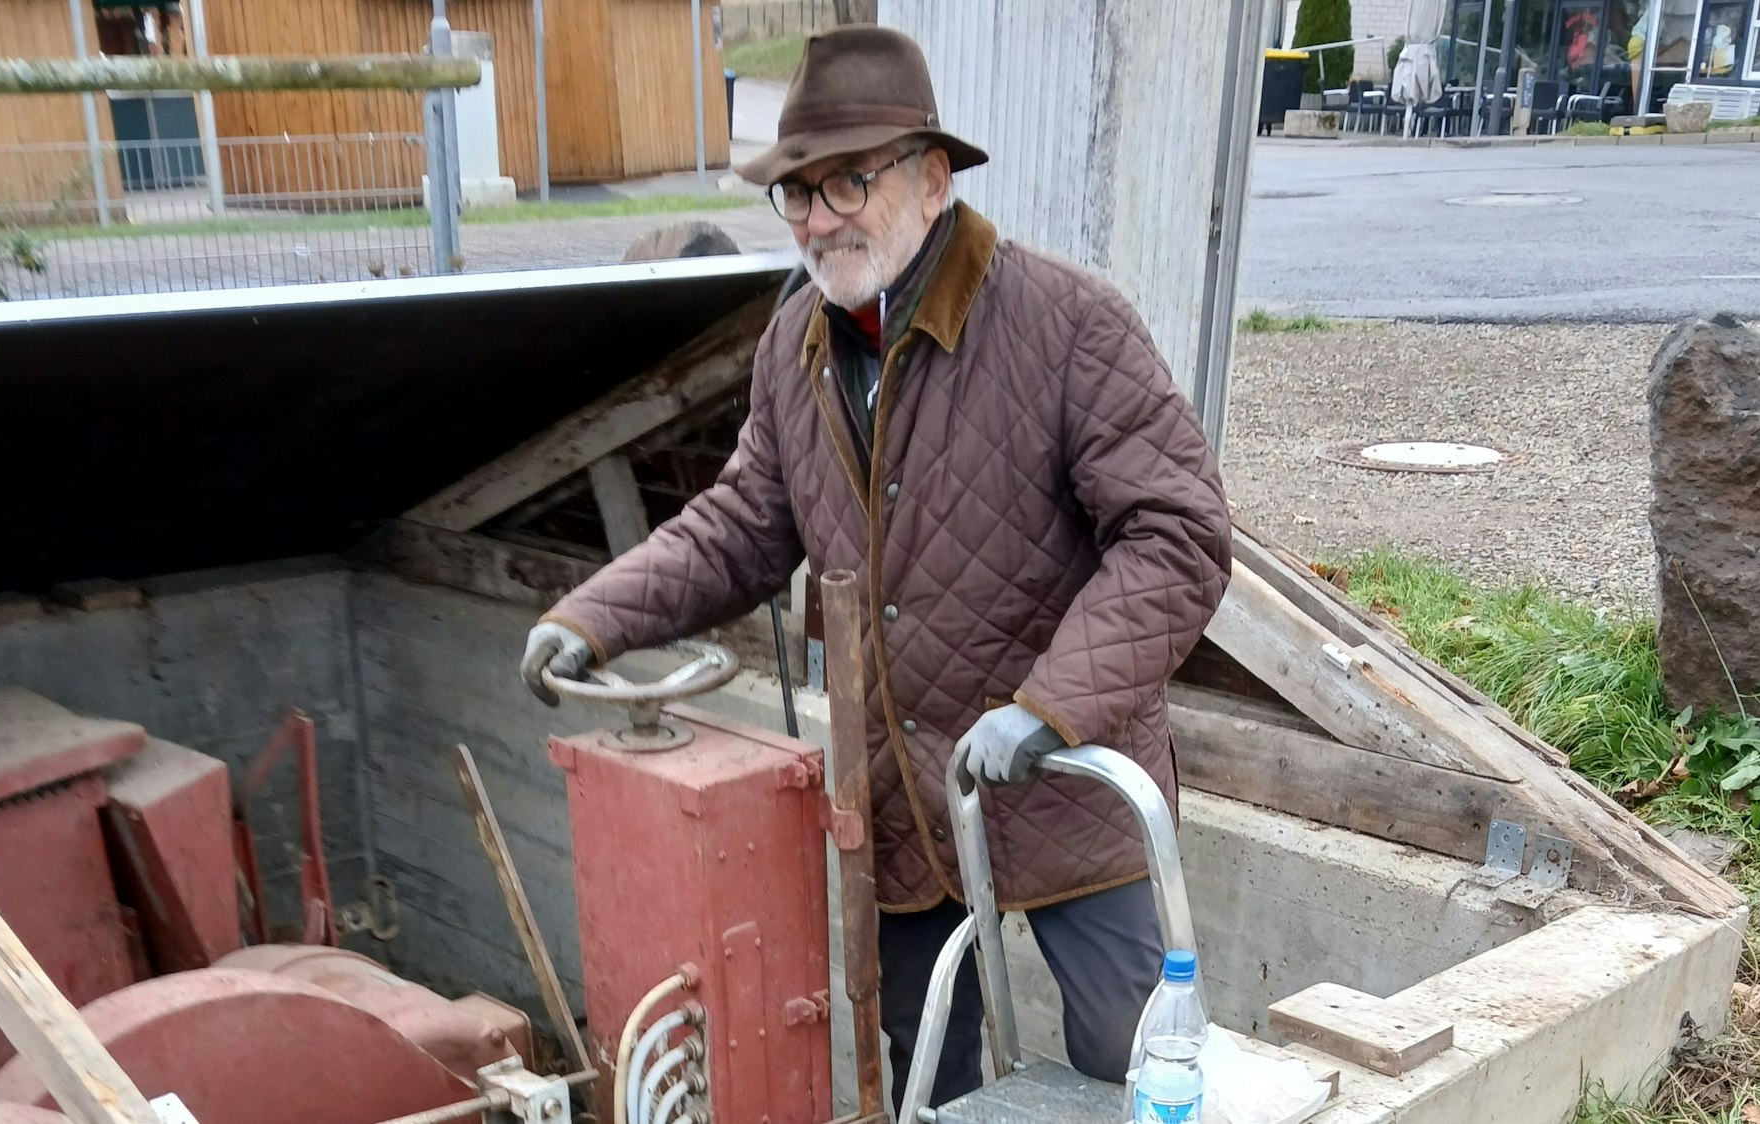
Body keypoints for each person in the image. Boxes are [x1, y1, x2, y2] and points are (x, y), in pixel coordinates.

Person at [519, 25, 1232, 1113]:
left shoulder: (1066, 323)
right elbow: (746, 520)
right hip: (902, 805)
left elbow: (1177, 536)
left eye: (848, 180)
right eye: (796, 193)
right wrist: (595, 614)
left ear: (932, 176)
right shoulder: (795, 340)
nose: (818, 217)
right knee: (929, 1072)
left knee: (1132, 1067)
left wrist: (1052, 706)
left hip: (1065, 789)